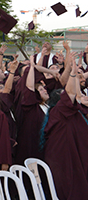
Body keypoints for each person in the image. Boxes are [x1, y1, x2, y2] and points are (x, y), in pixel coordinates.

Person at [43, 56, 88, 200]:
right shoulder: (60, 111)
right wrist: (73, 72)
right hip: (65, 160)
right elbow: (70, 92)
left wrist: (75, 73)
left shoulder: (74, 111)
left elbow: (74, 93)